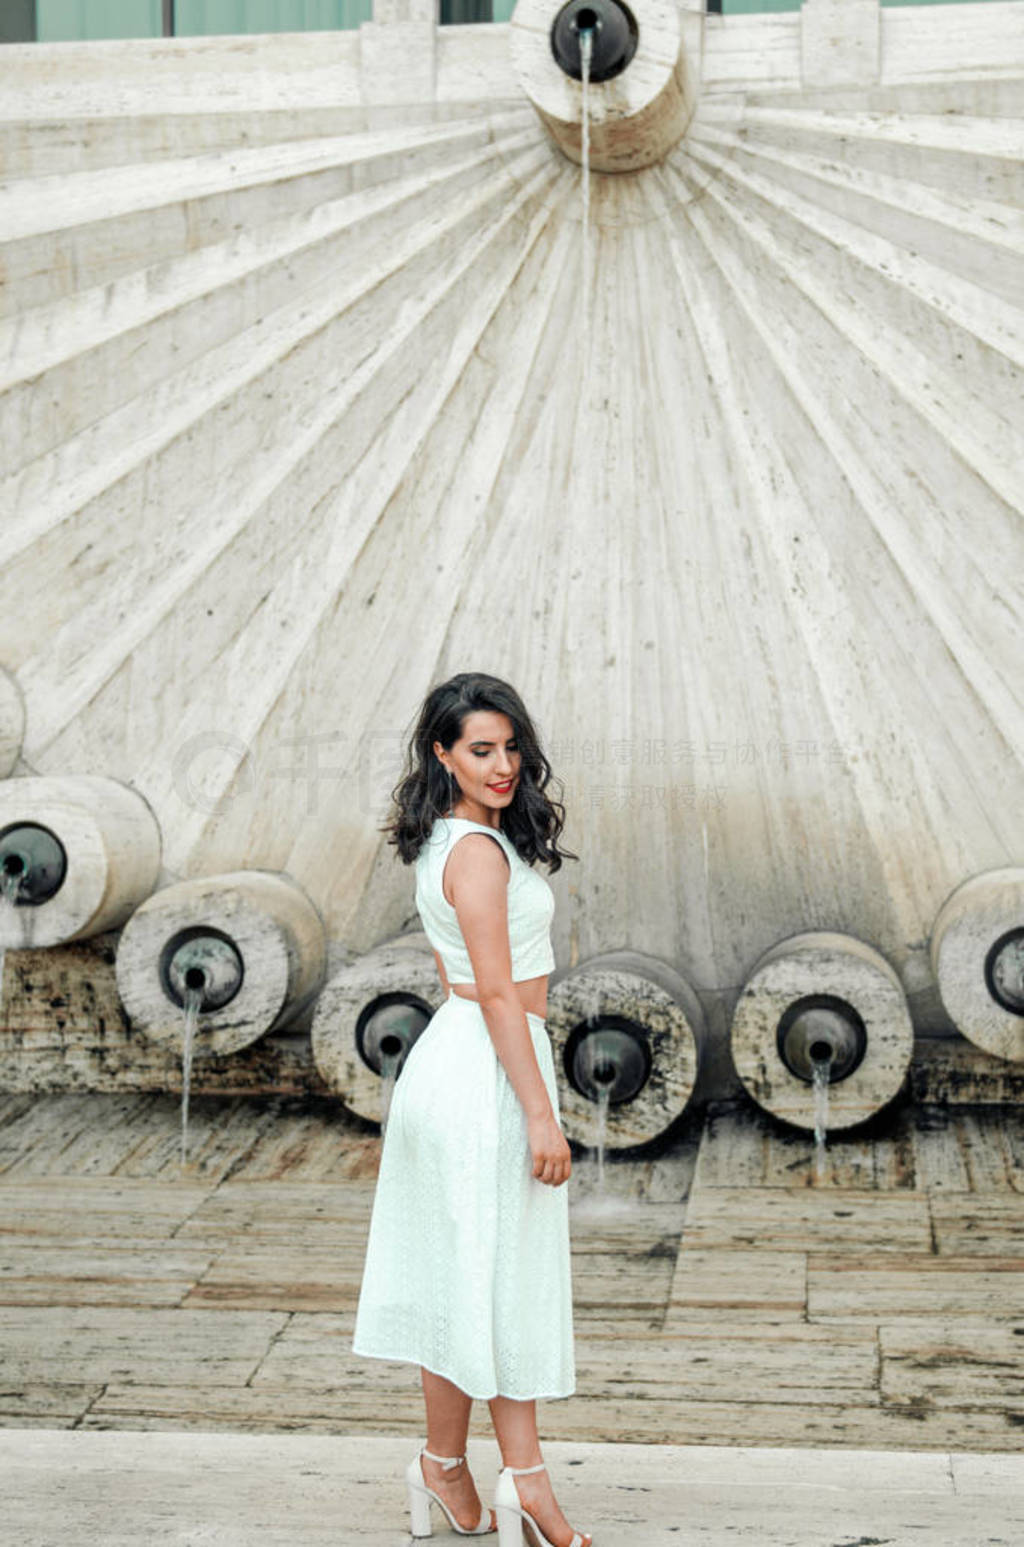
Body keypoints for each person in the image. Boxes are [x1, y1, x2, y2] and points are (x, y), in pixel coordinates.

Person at [352, 672, 593, 1547]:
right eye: (478, 749)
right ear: (443, 754)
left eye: (509, 747)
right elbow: (496, 988)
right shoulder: (477, 853)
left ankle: (442, 1464)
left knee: (464, 1275)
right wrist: (539, 1110)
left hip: (461, 1058)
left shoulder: (461, 837)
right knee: (502, 1277)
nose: (500, 765)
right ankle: (525, 1482)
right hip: (488, 1069)